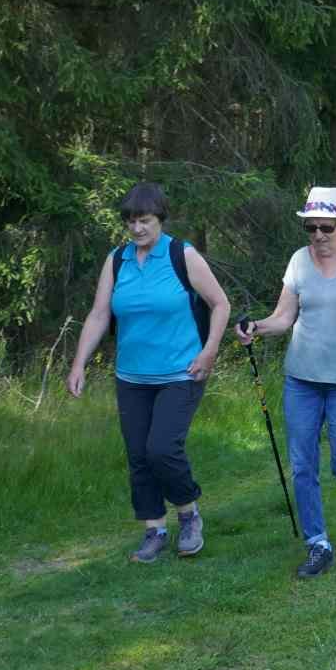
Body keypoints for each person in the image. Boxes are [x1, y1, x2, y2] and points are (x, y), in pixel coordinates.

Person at [66, 182, 232, 563]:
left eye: (144, 221)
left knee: (162, 449)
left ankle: (189, 515)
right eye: (130, 222)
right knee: (139, 455)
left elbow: (220, 304)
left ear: (160, 219)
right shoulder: (118, 259)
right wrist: (79, 364)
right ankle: (154, 530)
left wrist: (209, 352)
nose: (137, 229)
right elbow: (99, 313)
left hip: (181, 372)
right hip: (131, 377)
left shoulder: (181, 254)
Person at [235, 187, 336, 578]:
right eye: (310, 227)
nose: (318, 235)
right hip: (302, 379)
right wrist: (256, 326)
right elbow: (284, 317)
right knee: (303, 465)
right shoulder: (299, 261)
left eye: (325, 227)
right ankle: (317, 543)